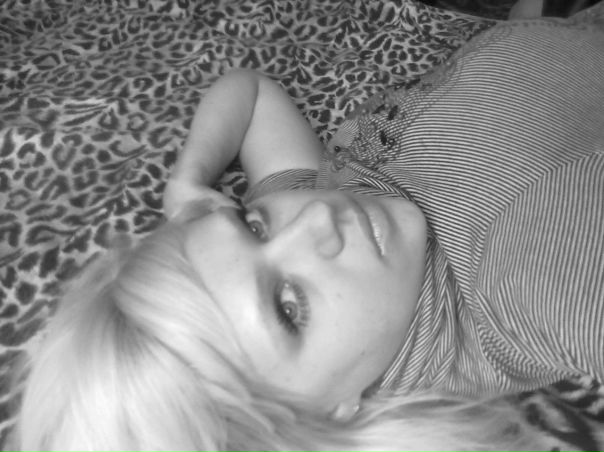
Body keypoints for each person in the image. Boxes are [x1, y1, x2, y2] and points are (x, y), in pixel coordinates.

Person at [11, 5, 604, 452]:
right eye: (289, 308)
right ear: (335, 412)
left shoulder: (314, 220)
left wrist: (188, 181)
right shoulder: (532, 284)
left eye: (250, 226)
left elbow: (251, 95)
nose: (317, 216)